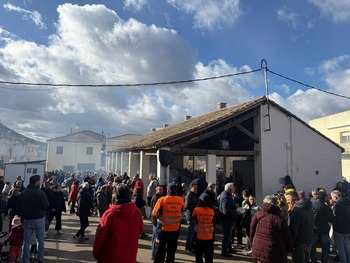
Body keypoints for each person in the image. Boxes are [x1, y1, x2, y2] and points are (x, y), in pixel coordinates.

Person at [93, 183, 143, 263]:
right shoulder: (136, 211)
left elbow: (100, 236)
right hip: (129, 255)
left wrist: (96, 253)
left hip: (110, 256)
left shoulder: (109, 214)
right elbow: (140, 230)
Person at [250, 195, 293, 263]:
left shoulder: (257, 214)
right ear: (275, 204)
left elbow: (252, 231)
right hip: (274, 250)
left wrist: (253, 244)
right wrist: (289, 249)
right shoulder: (280, 219)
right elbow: (287, 236)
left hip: (258, 247)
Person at [18, 174, 49, 263]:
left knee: (26, 240)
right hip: (39, 219)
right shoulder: (40, 193)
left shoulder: (23, 193)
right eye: (39, 181)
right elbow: (46, 205)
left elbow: (19, 207)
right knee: (40, 240)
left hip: (27, 219)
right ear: (36, 182)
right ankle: (40, 259)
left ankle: (26, 260)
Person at [152, 182, 184, 263]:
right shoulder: (181, 200)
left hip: (163, 229)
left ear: (168, 190)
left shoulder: (161, 200)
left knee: (160, 251)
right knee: (171, 252)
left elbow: (154, 213)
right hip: (175, 230)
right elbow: (182, 210)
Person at [288, 190, 315, 263]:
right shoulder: (309, 209)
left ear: (294, 199)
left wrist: (290, 243)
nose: (288, 202)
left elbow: (293, 229)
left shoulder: (296, 211)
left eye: (288, 200)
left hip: (299, 242)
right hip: (308, 239)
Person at [310, 190, 334, 263]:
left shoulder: (312, 206)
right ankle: (324, 261)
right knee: (325, 247)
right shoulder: (327, 208)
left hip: (314, 229)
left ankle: (314, 260)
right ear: (325, 198)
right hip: (324, 229)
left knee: (313, 247)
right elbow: (332, 219)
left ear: (317, 196)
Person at [192, 192, 215, 263]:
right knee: (209, 258)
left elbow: (193, 219)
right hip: (209, 237)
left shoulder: (197, 210)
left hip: (199, 237)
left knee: (198, 257)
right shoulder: (212, 211)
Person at [218, 182, 238, 257]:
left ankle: (229, 248)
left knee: (228, 235)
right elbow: (225, 211)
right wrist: (235, 212)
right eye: (233, 188)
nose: (234, 189)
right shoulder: (226, 197)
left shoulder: (226, 195)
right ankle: (224, 251)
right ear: (230, 189)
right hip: (227, 219)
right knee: (227, 235)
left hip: (228, 219)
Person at [331, 190, 350, 263]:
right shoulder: (348, 203)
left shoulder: (337, 206)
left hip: (339, 230)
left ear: (335, 197)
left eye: (332, 197)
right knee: (347, 247)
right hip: (347, 229)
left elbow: (337, 218)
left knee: (340, 248)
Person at [150, 186, 163, 260]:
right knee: (155, 238)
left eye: (161, 190)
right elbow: (156, 211)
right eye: (159, 190)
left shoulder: (159, 197)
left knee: (154, 238)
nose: (161, 191)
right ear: (156, 190)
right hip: (156, 221)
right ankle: (153, 254)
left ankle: (154, 253)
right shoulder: (156, 198)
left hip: (156, 220)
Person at [185, 182, 198, 253]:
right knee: (190, 231)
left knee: (193, 231)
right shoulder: (189, 195)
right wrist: (195, 207)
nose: (196, 189)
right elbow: (187, 206)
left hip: (194, 215)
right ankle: (188, 246)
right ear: (191, 188)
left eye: (197, 188)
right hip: (190, 216)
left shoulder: (195, 195)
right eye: (195, 188)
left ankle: (191, 245)